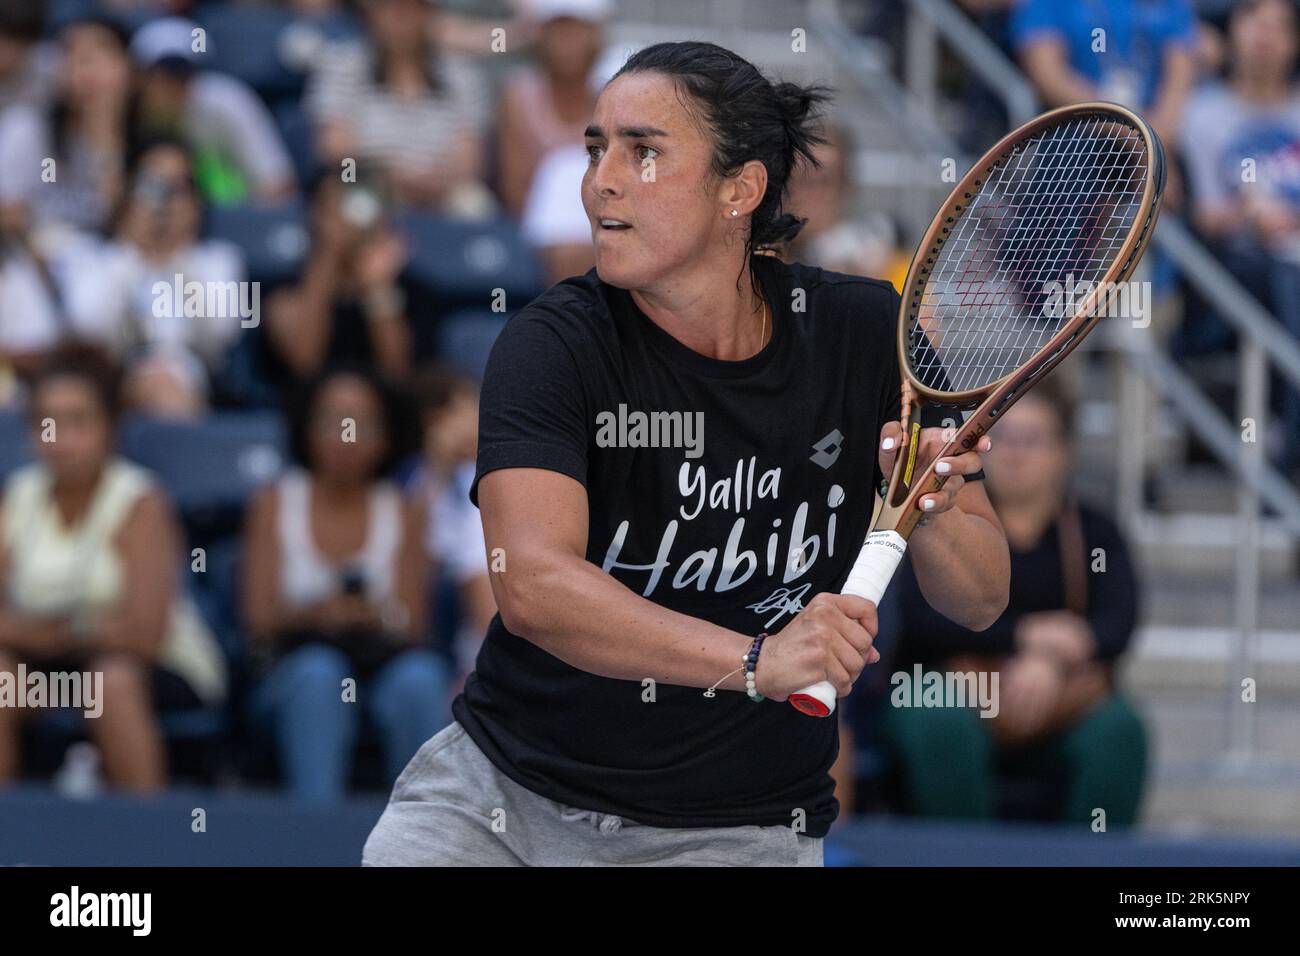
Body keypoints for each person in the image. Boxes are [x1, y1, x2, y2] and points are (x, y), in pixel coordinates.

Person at [363, 41, 1008, 867]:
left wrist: (940, 508)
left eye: (645, 151)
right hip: (502, 804)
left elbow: (982, 598)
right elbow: (531, 586)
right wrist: (759, 660)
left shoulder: (863, 337)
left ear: (740, 189)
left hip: (731, 833)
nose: (601, 179)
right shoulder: (553, 344)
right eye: (597, 148)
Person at [881, 379, 1146, 826]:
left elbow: (1119, 624)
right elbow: (916, 619)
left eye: (1033, 440)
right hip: (952, 683)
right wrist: (1029, 636)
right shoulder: (948, 518)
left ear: (1064, 451)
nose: (1016, 454)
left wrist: (1049, 661)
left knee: (1119, 730)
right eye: (1003, 439)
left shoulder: (1096, 532)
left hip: (1058, 697)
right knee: (933, 717)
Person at [0, 346, 227, 790]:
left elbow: (143, 634)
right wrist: (66, 633)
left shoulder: (141, 500)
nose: (61, 437)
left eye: (78, 421)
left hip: (155, 669)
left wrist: (49, 631)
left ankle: (145, 845)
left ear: (110, 429)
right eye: (49, 423)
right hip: (51, 668)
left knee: (110, 683)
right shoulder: (18, 497)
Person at [241, 365, 449, 803]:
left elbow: (415, 626)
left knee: (422, 679)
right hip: (293, 666)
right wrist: (319, 614)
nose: (347, 436)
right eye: (333, 421)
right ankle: (318, 840)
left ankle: (421, 841)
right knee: (321, 676)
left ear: (387, 437)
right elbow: (257, 619)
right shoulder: (275, 501)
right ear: (307, 428)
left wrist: (371, 616)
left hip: (383, 665)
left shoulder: (402, 508)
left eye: (363, 424)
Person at [1179, 0, 1300, 474]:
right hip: (1235, 268)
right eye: (1255, 22)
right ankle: (1291, 458)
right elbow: (1204, 217)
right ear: (1233, 30)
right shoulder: (1202, 113)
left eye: (1280, 27)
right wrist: (1253, 217)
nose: (1265, 36)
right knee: (1283, 280)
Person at [60, 137, 248, 417]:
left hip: (194, 383)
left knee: (164, 388)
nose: (166, 203)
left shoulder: (219, 260)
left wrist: (178, 256)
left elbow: (219, 335)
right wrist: (131, 250)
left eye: (179, 189)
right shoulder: (90, 257)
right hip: (109, 382)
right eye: (153, 187)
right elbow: (91, 329)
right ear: (128, 191)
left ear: (197, 199)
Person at [305, 0, 494, 218]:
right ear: (372, 15)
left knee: (474, 204)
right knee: (346, 197)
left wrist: (430, 182)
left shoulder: (462, 75)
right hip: (367, 183)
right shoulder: (341, 64)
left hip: (441, 190)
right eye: (391, 8)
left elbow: (470, 161)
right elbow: (335, 149)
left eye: (411, 9)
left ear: (429, 15)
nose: (401, 19)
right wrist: (393, 176)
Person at [128, 17, 298, 206]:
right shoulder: (121, 109)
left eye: (184, 75)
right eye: (163, 75)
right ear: (139, 78)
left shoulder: (227, 102)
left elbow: (277, 185)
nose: (174, 87)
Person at [407, 364, 496, 682]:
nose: (459, 424)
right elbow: (417, 565)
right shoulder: (421, 483)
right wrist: (438, 467)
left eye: (463, 406)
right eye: (442, 417)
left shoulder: (508, 465)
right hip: (456, 632)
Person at [496, 0, 610, 218]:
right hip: (539, 227)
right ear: (542, 34)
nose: (567, 42)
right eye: (558, 29)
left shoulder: (614, 93)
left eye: (577, 29)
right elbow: (516, 193)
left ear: (596, 34)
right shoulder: (519, 97)